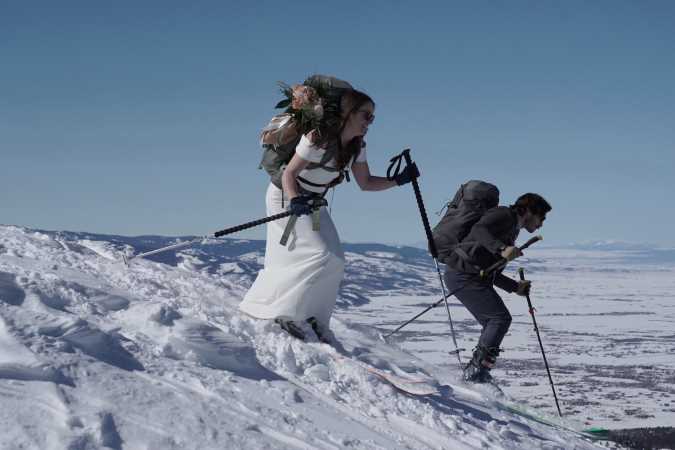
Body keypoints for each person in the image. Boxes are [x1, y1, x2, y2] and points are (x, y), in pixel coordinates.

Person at [240, 76, 418, 342]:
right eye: (366, 115)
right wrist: (295, 199)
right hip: (286, 197)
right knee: (318, 254)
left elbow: (366, 183)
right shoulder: (317, 138)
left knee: (335, 260)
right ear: (348, 113)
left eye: (372, 118)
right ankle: (287, 314)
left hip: (313, 202)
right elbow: (289, 174)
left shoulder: (356, 147)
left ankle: (316, 319)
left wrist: (398, 180)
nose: (370, 122)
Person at [443, 193, 552, 383]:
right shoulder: (504, 215)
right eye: (541, 217)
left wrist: (514, 287)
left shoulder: (512, 228)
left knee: (496, 320)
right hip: (462, 274)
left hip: (470, 276)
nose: (541, 224)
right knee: (498, 319)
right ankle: (476, 374)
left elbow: (489, 269)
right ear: (529, 211)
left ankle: (477, 372)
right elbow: (479, 230)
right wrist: (502, 249)